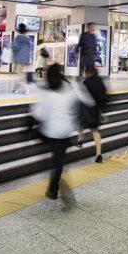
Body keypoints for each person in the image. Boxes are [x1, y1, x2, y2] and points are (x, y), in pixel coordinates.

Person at [30, 63, 84, 199]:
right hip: (64, 131)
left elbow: (39, 113)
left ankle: (52, 185)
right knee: (59, 161)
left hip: (49, 131)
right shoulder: (68, 87)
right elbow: (78, 106)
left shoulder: (45, 90)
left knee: (54, 158)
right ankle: (53, 188)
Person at [79, 68, 109, 163]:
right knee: (95, 131)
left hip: (86, 110)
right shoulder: (99, 81)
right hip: (96, 110)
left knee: (80, 123)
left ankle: (79, 140)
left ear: (88, 72)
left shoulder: (86, 82)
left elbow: (81, 96)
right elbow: (104, 95)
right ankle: (98, 154)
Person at [11, 23, 32, 94]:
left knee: (20, 74)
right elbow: (29, 50)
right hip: (24, 59)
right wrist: (28, 60)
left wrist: (10, 46)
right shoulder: (26, 39)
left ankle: (26, 89)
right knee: (20, 74)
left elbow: (15, 47)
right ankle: (15, 88)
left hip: (18, 58)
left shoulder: (18, 37)